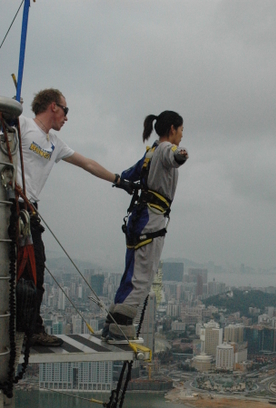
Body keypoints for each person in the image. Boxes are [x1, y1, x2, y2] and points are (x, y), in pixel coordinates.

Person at [18, 88, 119, 346]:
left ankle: (31, 330)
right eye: (66, 110)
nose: (66, 117)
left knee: (35, 273)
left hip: (28, 211)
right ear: (53, 106)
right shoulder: (22, 124)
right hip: (10, 203)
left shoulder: (55, 143)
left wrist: (119, 180)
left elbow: (87, 163)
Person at [103, 110, 188, 343]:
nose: (181, 135)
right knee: (143, 275)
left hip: (138, 217)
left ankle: (113, 319)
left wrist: (119, 180)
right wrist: (181, 154)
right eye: (181, 131)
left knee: (131, 272)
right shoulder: (164, 149)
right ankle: (121, 325)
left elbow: (131, 174)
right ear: (172, 129)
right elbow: (174, 155)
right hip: (151, 218)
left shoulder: (150, 152)